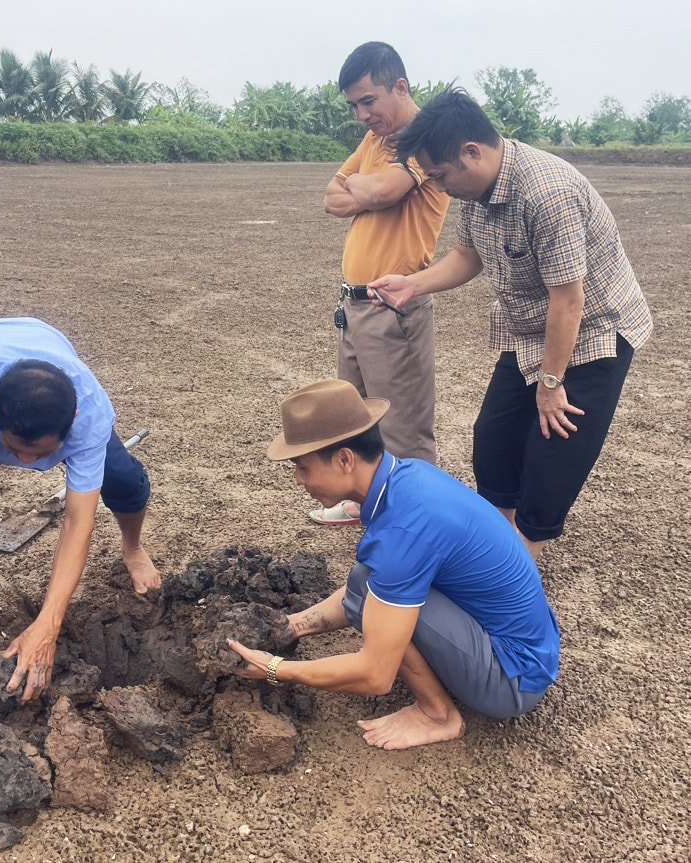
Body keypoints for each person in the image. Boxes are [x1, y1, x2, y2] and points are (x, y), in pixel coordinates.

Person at [370, 88, 653, 559]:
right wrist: (413, 285)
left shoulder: (547, 192)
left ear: (472, 152)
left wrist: (550, 383)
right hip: (532, 329)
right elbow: (468, 253)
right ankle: (500, 550)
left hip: (594, 330)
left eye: (439, 176)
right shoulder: (473, 188)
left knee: (552, 449)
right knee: (493, 439)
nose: (437, 187)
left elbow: (569, 301)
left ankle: (520, 571)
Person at [228, 379, 559, 750]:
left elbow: (375, 675)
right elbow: (368, 583)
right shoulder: (407, 477)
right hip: (524, 647)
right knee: (367, 580)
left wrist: (276, 669)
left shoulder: (405, 528)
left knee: (372, 592)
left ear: (344, 460)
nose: (299, 480)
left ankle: (437, 715)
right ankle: (439, 691)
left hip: (512, 680)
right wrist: (290, 627)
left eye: (303, 468)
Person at [0, 317, 160, 703]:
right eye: (14, 448)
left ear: (70, 423)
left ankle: (133, 548)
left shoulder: (87, 414)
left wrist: (49, 624)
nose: (23, 462)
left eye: (39, 455)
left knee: (123, 479)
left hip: (45, 351)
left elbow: (77, 521)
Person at [312, 41, 450, 527]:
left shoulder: (426, 138)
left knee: (404, 429)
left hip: (395, 305)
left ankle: (417, 525)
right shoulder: (376, 141)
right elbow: (332, 198)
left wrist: (365, 188)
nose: (361, 114)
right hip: (354, 306)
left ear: (401, 86)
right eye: (353, 105)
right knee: (359, 419)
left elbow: (388, 189)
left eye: (368, 100)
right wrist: (367, 191)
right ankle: (363, 504)